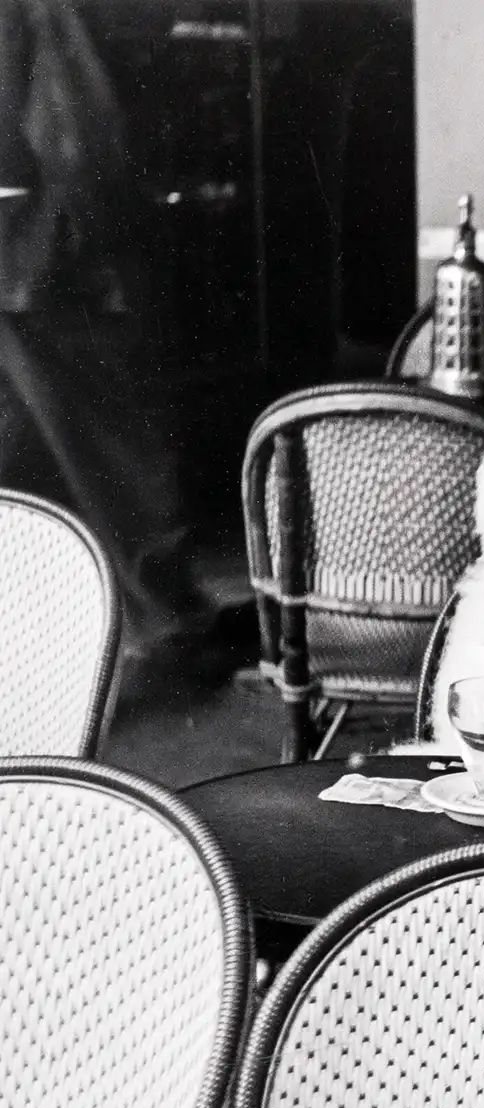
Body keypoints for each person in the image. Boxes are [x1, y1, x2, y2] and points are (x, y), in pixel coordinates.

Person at [0, 1, 219, 678]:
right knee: (105, 444)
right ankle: (169, 617)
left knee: (76, 443)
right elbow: (82, 146)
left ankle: (158, 618)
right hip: (37, 260)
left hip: (29, 254)